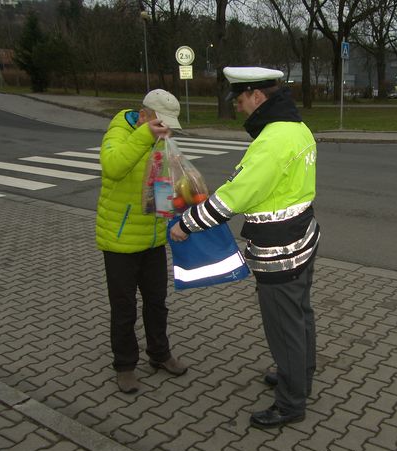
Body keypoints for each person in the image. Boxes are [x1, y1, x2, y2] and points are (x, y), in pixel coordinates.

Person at [170, 66, 320, 429]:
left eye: (239, 100)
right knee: (300, 316)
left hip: (279, 251)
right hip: (301, 238)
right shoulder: (296, 128)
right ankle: (298, 375)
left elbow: (233, 198)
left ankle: (290, 403)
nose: (238, 108)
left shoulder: (272, 141)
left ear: (257, 96)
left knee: (284, 327)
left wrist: (186, 224)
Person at [96, 89, 188, 394]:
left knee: (157, 303)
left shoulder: (160, 141)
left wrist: (172, 209)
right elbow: (113, 166)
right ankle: (124, 366)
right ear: (144, 115)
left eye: (170, 126)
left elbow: (159, 184)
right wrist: (144, 136)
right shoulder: (119, 133)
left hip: (151, 238)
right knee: (124, 309)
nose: (167, 130)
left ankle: (159, 354)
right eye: (162, 123)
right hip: (120, 241)